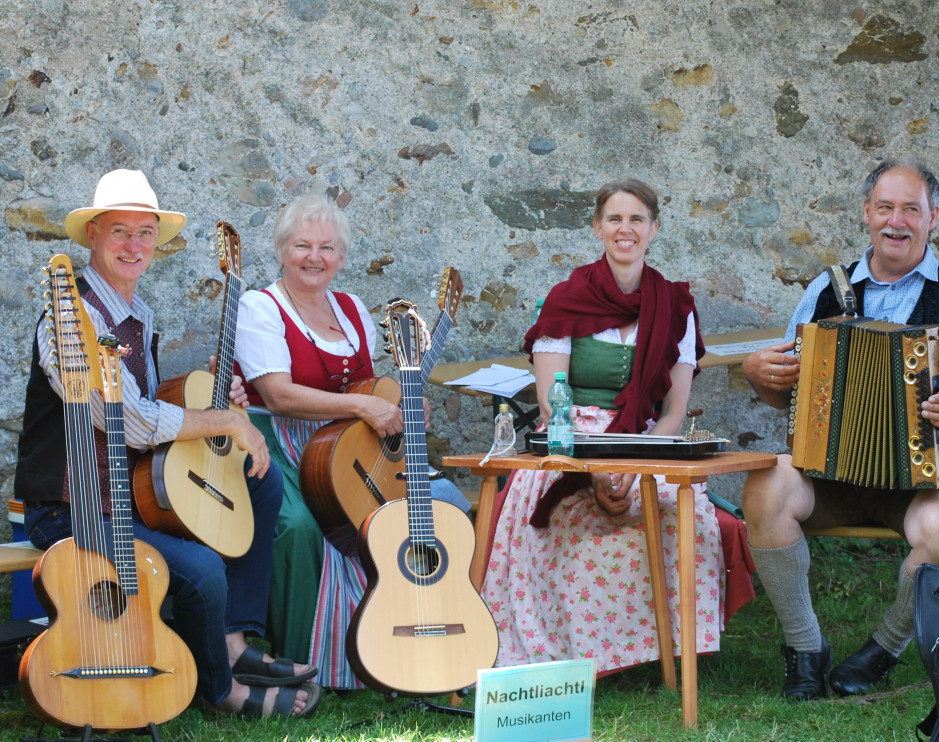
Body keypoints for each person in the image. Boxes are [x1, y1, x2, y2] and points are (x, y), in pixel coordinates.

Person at [14, 169, 321, 719]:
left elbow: (152, 406)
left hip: (131, 498)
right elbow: (128, 422)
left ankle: (233, 640)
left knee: (262, 480)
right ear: (93, 236)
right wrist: (223, 423)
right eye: (120, 232)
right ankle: (221, 688)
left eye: (145, 233)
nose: (134, 246)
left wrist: (210, 397)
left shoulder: (138, 315)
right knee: (201, 569)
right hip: (71, 508)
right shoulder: (70, 316)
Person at [741, 158, 939, 701]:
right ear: (866, 213)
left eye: (911, 209)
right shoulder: (824, 288)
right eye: (885, 207)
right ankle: (805, 648)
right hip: (830, 471)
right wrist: (756, 373)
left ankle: (882, 649)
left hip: (923, 477)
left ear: (933, 217)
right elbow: (785, 389)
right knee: (765, 485)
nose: (896, 221)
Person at [480, 178, 750, 674]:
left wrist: (635, 464)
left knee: (684, 517)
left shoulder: (675, 307)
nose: (625, 229)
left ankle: (661, 653)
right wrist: (598, 470)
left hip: (647, 443)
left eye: (637, 220)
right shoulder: (565, 300)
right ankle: (577, 656)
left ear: (653, 229)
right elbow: (549, 406)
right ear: (598, 227)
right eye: (615, 219)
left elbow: (672, 413)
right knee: (570, 526)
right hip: (572, 444)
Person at [233, 192, 470, 689]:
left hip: (353, 447)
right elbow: (277, 395)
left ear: (341, 257)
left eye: (327, 248)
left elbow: (369, 385)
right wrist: (364, 407)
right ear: (281, 251)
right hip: (281, 444)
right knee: (297, 524)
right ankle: (306, 659)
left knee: (444, 499)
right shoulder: (260, 306)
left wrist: (400, 404)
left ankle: (427, 641)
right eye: (302, 246)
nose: (314, 257)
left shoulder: (351, 307)